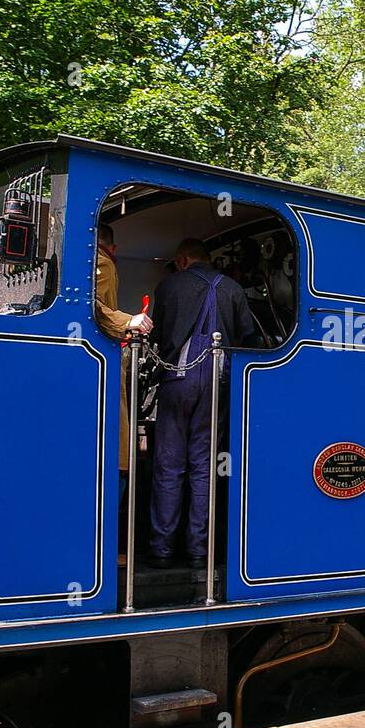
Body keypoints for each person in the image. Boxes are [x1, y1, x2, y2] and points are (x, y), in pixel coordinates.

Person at [148, 237, 256, 568]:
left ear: (182, 260)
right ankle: (199, 550)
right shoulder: (234, 289)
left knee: (168, 465)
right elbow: (248, 337)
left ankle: (161, 549)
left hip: (177, 379)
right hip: (217, 382)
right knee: (204, 466)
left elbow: (158, 335)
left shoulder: (168, 286)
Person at [93, 223, 153, 508]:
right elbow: (90, 303)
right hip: (106, 361)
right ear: (113, 247)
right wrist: (127, 321)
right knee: (119, 450)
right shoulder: (103, 262)